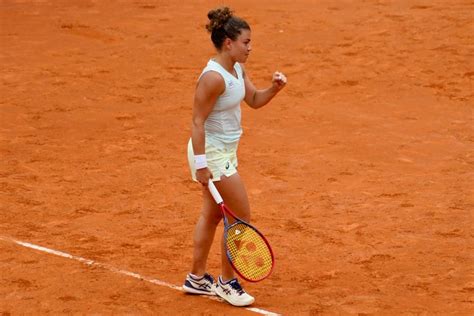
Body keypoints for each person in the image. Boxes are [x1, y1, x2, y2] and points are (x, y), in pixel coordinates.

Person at [182, 7, 287, 307]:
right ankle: (227, 282)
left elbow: (253, 100)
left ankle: (197, 278)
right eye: (246, 42)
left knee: (212, 215)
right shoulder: (213, 78)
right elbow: (197, 122)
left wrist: (275, 89)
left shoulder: (236, 70)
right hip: (211, 155)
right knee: (240, 216)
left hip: (225, 151)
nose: (250, 48)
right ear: (228, 42)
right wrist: (202, 166)